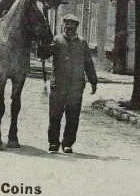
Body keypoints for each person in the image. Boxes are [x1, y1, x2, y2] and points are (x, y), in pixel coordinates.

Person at [38, 14, 97, 153]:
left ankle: (67, 143)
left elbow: (88, 64)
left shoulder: (82, 43)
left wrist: (93, 81)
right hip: (58, 84)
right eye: (67, 25)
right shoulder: (56, 41)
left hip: (76, 87)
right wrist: (43, 45)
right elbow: (43, 55)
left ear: (76, 27)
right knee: (55, 115)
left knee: (73, 116)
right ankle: (53, 143)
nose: (69, 28)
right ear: (64, 26)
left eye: (72, 26)